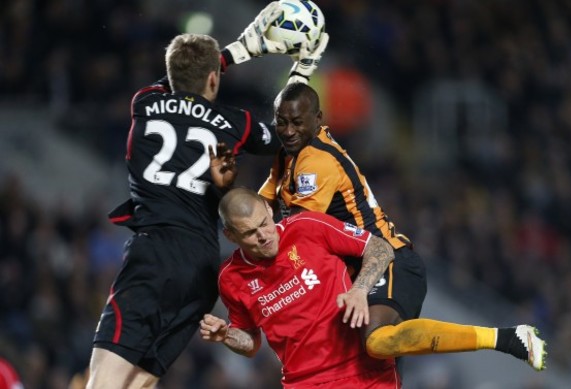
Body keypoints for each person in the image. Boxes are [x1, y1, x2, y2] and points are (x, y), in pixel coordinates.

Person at [86, 2, 329, 387]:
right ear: (214, 81)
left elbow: (178, 79)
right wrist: (302, 70)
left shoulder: (144, 103)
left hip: (154, 252)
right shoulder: (236, 124)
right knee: (141, 383)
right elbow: (288, 131)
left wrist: (236, 52)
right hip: (202, 268)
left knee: (104, 381)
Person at [256, 82, 547, 372]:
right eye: (281, 122)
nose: (288, 130)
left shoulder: (317, 161)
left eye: (297, 122)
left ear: (318, 119)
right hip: (355, 278)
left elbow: (299, 230)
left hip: (386, 262)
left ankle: (508, 338)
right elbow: (259, 210)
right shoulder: (288, 157)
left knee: (376, 340)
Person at [201, 188, 400, 388]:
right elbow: (251, 342)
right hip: (305, 382)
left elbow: (380, 248)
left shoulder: (307, 226)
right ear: (230, 235)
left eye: (263, 223)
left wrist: (359, 289)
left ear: (269, 210)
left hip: (366, 372)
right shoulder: (230, 278)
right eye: (250, 233)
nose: (263, 236)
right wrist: (226, 335)